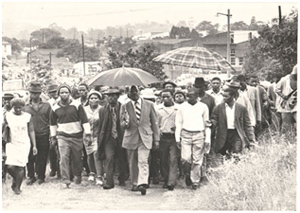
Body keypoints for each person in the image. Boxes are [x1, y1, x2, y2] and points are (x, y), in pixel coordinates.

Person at [50, 84, 92, 188]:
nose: (64, 94)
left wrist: (87, 133)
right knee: (63, 158)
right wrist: (53, 137)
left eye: (66, 92)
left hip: (76, 135)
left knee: (77, 158)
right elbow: (53, 124)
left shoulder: (77, 105)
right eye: (62, 93)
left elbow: (84, 120)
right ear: (59, 94)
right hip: (62, 136)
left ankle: (77, 176)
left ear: (69, 94)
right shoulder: (55, 108)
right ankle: (65, 180)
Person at [120, 85, 160, 195]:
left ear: (139, 92)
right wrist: (125, 122)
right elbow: (122, 125)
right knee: (132, 161)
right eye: (131, 92)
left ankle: (142, 183)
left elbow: (154, 123)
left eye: (135, 91)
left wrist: (156, 139)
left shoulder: (149, 105)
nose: (134, 93)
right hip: (131, 137)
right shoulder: (124, 106)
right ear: (128, 94)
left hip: (145, 137)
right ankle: (134, 182)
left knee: (143, 160)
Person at [175, 88, 211, 190]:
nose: (188, 98)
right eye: (187, 96)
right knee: (185, 158)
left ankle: (195, 181)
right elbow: (179, 123)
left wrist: (207, 139)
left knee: (197, 160)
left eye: (190, 96)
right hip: (185, 134)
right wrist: (177, 138)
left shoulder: (203, 107)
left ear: (197, 96)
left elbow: (207, 124)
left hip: (199, 134)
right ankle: (187, 174)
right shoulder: (182, 107)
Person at [4, 98, 37, 194]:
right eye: (16, 107)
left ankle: (17, 187)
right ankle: (16, 179)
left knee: (21, 166)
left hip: (24, 143)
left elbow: (31, 131)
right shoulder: (7, 115)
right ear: (12, 107)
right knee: (10, 166)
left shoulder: (27, 116)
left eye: (20, 108)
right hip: (11, 143)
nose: (18, 109)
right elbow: (4, 129)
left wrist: (34, 145)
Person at [97, 88, 129, 189]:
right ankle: (109, 182)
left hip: (121, 136)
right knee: (109, 158)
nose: (111, 98)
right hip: (108, 137)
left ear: (118, 97)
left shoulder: (123, 108)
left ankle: (122, 178)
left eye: (114, 96)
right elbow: (101, 126)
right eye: (109, 96)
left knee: (122, 158)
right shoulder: (102, 110)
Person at [211, 88, 255, 158]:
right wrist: (212, 123)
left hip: (236, 133)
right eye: (223, 96)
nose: (224, 98)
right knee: (223, 154)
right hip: (223, 134)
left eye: (226, 96)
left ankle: (236, 167)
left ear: (233, 96)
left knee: (237, 152)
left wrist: (251, 138)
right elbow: (214, 119)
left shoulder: (241, 108)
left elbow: (247, 124)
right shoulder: (218, 108)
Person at [24, 82, 51, 185]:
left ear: (40, 93)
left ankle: (41, 176)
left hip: (43, 134)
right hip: (29, 135)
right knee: (29, 156)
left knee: (42, 156)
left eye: (36, 93)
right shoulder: (25, 106)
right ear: (29, 93)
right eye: (32, 93)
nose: (34, 95)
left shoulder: (46, 105)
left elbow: (50, 120)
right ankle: (31, 176)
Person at [157, 89, 178, 190]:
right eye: (163, 97)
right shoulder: (158, 109)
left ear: (172, 96)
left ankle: (171, 181)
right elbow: (156, 123)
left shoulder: (178, 109)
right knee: (163, 159)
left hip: (174, 137)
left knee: (173, 159)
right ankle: (166, 179)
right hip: (163, 137)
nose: (165, 99)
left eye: (168, 97)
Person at [83, 90, 105, 186]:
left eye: (96, 98)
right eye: (91, 98)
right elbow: (82, 121)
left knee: (96, 153)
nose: (93, 100)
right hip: (87, 135)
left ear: (99, 100)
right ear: (89, 100)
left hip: (97, 135)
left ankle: (99, 175)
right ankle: (92, 171)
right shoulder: (84, 109)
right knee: (89, 154)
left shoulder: (102, 109)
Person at [275, 64, 297, 134]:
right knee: (288, 127)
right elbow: (276, 89)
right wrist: (283, 96)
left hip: (296, 106)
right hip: (286, 107)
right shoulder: (285, 80)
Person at [76, 83, 90, 176]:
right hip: (78, 127)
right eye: (80, 90)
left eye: (83, 90)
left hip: (89, 126)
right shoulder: (76, 102)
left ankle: (89, 168)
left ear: (87, 91)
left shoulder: (92, 100)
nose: (81, 92)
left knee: (87, 149)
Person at [47, 84, 61, 178]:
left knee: (61, 150)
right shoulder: (48, 103)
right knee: (52, 149)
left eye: (55, 91)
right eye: (52, 92)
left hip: (61, 126)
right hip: (51, 126)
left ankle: (61, 171)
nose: (54, 94)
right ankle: (53, 168)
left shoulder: (63, 100)